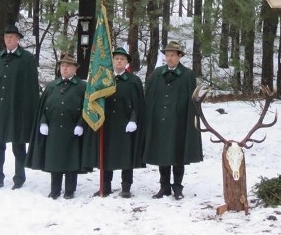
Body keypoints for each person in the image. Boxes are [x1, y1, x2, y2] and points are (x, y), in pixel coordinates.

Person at [0, 24, 40, 190]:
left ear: (18, 39)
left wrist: (30, 110)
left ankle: (19, 178)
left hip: (18, 109)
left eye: (12, 37)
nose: (9, 40)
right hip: (0, 108)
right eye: (6, 37)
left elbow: (31, 87)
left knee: (18, 145)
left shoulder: (27, 58)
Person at [143, 41, 203, 200]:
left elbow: (193, 102)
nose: (169, 58)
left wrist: (190, 121)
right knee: (162, 155)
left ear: (179, 56)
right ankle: (164, 187)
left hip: (179, 123)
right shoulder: (156, 74)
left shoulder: (188, 75)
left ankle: (177, 187)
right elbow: (148, 97)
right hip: (160, 123)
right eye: (167, 55)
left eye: (172, 55)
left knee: (178, 155)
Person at [26, 53, 89, 199]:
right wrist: (43, 122)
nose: (64, 69)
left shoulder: (82, 87)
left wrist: (81, 124)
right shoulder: (52, 86)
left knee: (71, 159)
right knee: (55, 160)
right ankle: (55, 189)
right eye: (62, 66)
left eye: (68, 66)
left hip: (73, 129)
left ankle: (69, 189)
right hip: (53, 129)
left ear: (75, 69)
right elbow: (42, 108)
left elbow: (88, 109)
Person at [100, 47, 145, 198]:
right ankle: (105, 186)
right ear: (112, 61)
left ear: (126, 62)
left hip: (125, 124)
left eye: (122, 59)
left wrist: (133, 120)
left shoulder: (133, 81)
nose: (119, 61)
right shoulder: (104, 79)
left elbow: (138, 104)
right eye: (116, 59)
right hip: (107, 124)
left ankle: (126, 187)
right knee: (106, 155)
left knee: (126, 155)